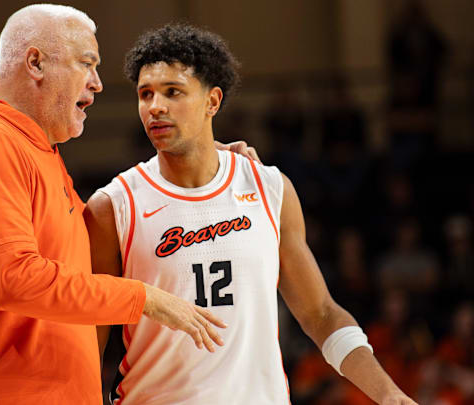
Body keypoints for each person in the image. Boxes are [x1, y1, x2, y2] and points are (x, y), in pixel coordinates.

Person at [0, 5, 267, 405]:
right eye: (87, 63)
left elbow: (88, 247)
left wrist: (198, 157)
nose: (98, 84)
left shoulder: (36, 152)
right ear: (35, 63)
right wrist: (144, 297)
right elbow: (10, 278)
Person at [85, 23, 417, 405]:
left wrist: (390, 394)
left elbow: (322, 316)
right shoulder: (114, 206)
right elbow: (88, 340)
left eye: (172, 92)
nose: (154, 106)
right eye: (145, 94)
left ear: (212, 102)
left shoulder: (269, 188)